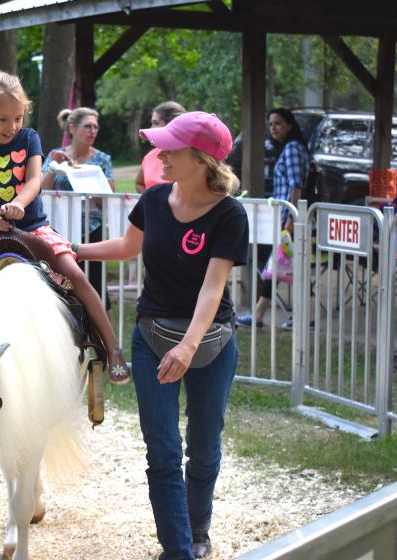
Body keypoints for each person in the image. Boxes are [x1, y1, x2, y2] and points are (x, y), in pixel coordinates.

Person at [77, 111, 248, 559]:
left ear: (201, 159)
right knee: (164, 452)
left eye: (171, 148)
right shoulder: (153, 199)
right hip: (152, 337)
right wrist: (70, 248)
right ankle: (179, 550)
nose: (160, 154)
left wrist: (189, 346)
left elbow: (213, 288)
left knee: (204, 448)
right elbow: (127, 247)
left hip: (209, 343)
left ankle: (197, 531)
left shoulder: (230, 215)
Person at [0, 69, 130, 384]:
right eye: (3, 120)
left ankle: (110, 348)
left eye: (18, 118)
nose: (13, 126)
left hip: (33, 226)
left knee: (75, 274)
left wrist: (19, 204)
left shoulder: (29, 138)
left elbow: (34, 179)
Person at [235, 107, 310, 330]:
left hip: (289, 219)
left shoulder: (293, 149)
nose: (273, 128)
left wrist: (289, 221)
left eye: (277, 123)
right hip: (284, 217)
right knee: (276, 267)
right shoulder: (288, 149)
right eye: (270, 124)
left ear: (289, 124)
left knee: (276, 267)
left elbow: (296, 185)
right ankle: (261, 314)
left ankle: (261, 314)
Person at [42, 107, 115, 307]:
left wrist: (90, 182)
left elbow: (108, 198)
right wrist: (53, 167)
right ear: (72, 128)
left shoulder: (102, 159)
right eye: (88, 126)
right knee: (59, 283)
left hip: (91, 228)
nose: (93, 131)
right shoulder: (56, 155)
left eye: (95, 127)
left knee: (96, 286)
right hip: (60, 229)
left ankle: (103, 336)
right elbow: (42, 189)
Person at [136, 101, 185, 193]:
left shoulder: (186, 157)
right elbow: (139, 184)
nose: (151, 128)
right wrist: (151, 200)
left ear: (172, 124)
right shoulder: (150, 156)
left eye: (156, 123)